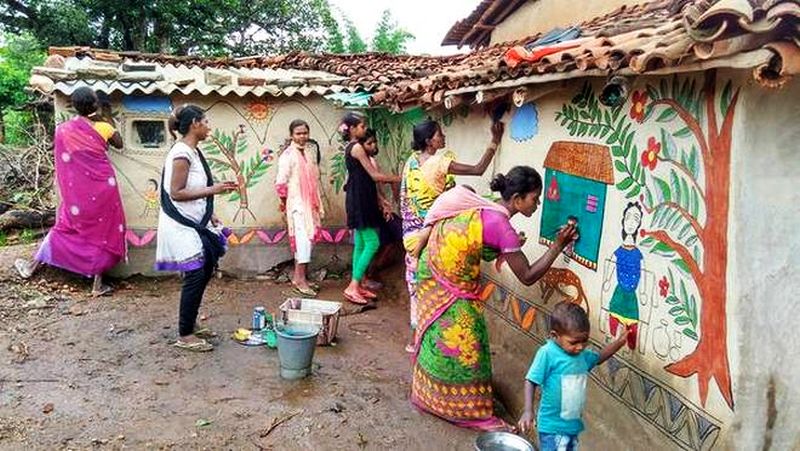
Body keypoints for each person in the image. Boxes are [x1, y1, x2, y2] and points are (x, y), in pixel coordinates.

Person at [409, 166, 577, 431]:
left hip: (431, 266)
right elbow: (528, 275)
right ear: (518, 199)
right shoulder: (502, 225)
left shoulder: (486, 202)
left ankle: (429, 395)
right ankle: (471, 413)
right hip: (446, 279)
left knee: (438, 334)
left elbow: (472, 240)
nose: (538, 203)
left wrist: (506, 245)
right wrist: (558, 245)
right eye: (535, 198)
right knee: (468, 345)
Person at [401, 118, 504, 351]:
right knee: (438, 290)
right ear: (429, 141)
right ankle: (434, 342)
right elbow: (478, 169)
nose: (443, 137)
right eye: (439, 134)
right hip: (431, 237)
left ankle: (413, 339)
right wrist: (495, 141)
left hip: (411, 235)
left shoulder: (412, 162)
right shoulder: (439, 162)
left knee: (416, 289)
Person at [14, 87, 126, 296]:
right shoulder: (104, 127)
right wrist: (106, 119)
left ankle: (31, 266)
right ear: (95, 105)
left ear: (74, 107)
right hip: (104, 188)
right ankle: (97, 284)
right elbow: (119, 144)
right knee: (104, 231)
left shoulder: (63, 130)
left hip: (77, 194)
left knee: (64, 226)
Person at [155, 105, 236, 352]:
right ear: (194, 124)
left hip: (195, 223)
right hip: (181, 224)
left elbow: (195, 192)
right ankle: (185, 334)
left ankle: (190, 324)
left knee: (205, 269)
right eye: (206, 121)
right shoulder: (182, 153)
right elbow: (177, 193)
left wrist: (211, 215)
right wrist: (215, 189)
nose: (209, 126)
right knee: (196, 274)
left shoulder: (192, 151)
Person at [517, 301, 628, 451]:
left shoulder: (582, 356)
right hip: (551, 426)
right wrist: (528, 410)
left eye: (585, 341)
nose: (580, 346)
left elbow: (599, 357)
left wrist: (619, 343)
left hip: (572, 426)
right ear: (554, 335)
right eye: (574, 342)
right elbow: (531, 380)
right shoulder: (547, 353)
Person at [340, 113, 401, 305]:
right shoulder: (357, 147)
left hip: (361, 199)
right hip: (360, 201)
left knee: (360, 243)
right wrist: (400, 178)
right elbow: (375, 176)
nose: (364, 129)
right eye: (361, 126)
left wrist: (380, 200)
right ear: (351, 129)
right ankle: (353, 286)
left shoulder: (352, 147)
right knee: (372, 243)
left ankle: (356, 285)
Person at [275, 119, 325, 297]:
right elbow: (280, 183)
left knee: (307, 242)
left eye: (305, 133)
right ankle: (299, 280)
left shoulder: (308, 153)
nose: (302, 136)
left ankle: (301, 277)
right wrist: (284, 201)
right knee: (303, 242)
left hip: (310, 204)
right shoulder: (288, 156)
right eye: (298, 133)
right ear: (291, 135)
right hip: (297, 204)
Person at [362, 129, 403, 287]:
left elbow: (376, 186)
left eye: (374, 142)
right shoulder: (365, 162)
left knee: (387, 241)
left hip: (378, 207)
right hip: (374, 209)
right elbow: (370, 187)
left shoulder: (370, 160)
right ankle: (368, 275)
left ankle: (373, 272)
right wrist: (383, 203)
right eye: (369, 143)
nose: (373, 146)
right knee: (395, 233)